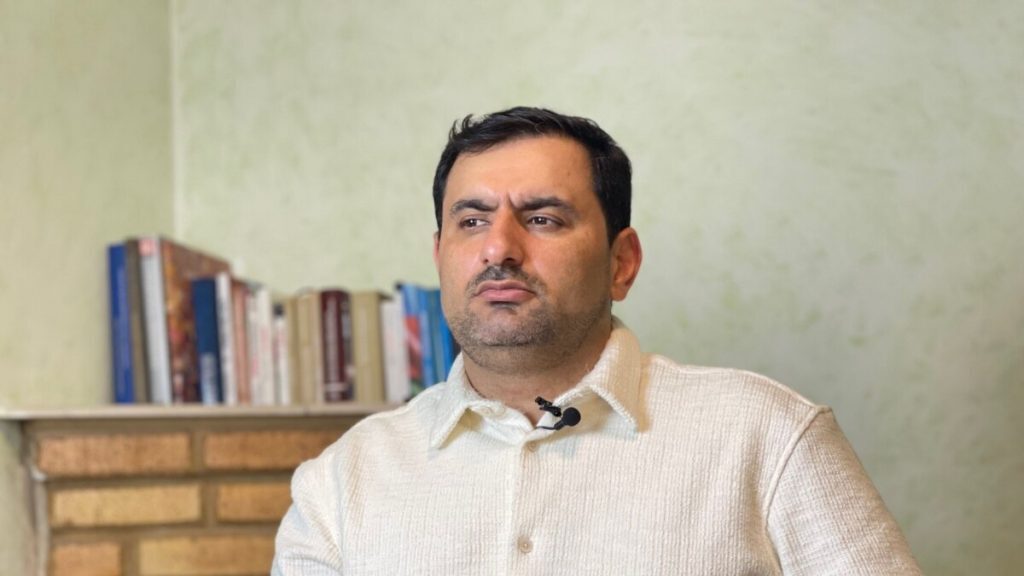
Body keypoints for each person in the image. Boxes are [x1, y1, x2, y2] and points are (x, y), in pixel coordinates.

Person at [272, 107, 922, 575]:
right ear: (440, 255)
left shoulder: (770, 437)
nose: (499, 249)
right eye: (471, 221)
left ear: (622, 262)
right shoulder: (339, 484)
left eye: (542, 218)